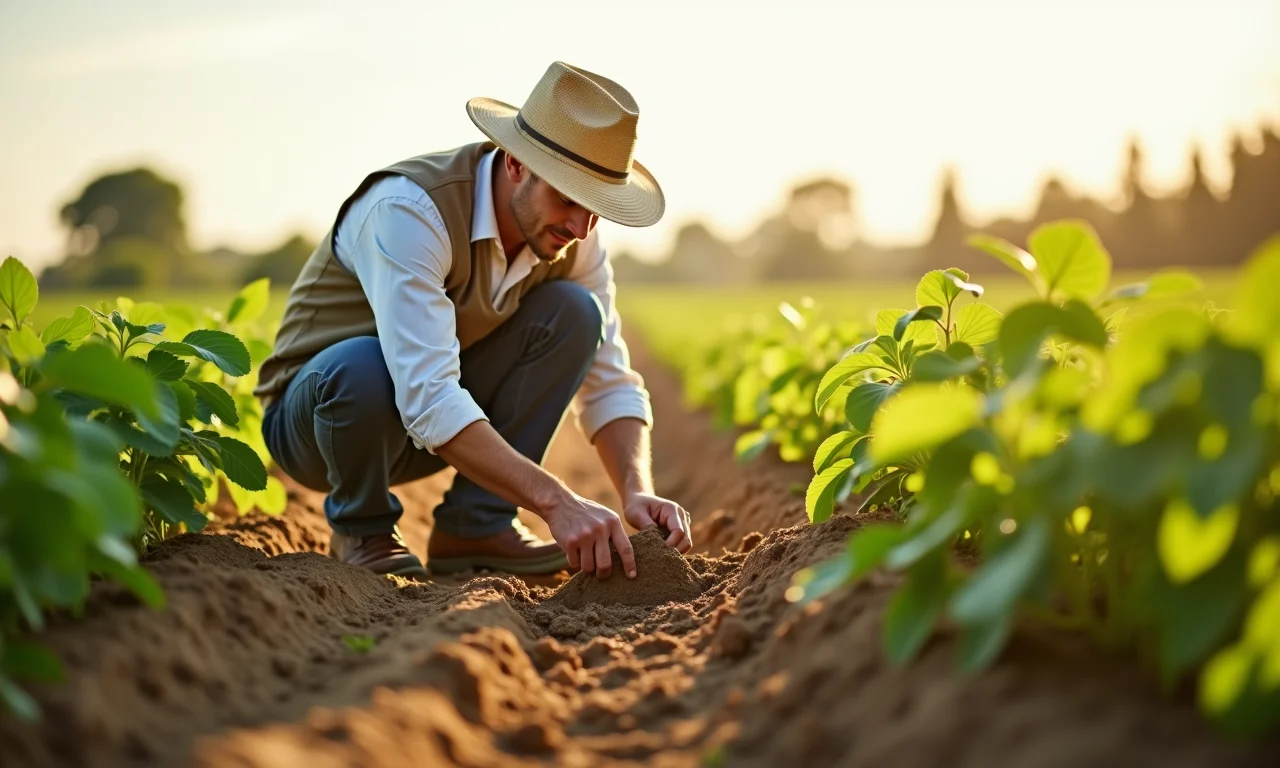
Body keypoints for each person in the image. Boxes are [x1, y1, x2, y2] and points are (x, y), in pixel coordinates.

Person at [254, 61, 691, 582]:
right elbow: (429, 396)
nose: (580, 226)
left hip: (425, 430)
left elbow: (609, 379)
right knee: (362, 363)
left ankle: (476, 525)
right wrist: (556, 502)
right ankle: (362, 528)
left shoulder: (574, 237)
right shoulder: (410, 210)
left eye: (596, 208)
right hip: (321, 422)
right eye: (568, 199)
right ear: (514, 164)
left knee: (577, 314)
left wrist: (635, 488)